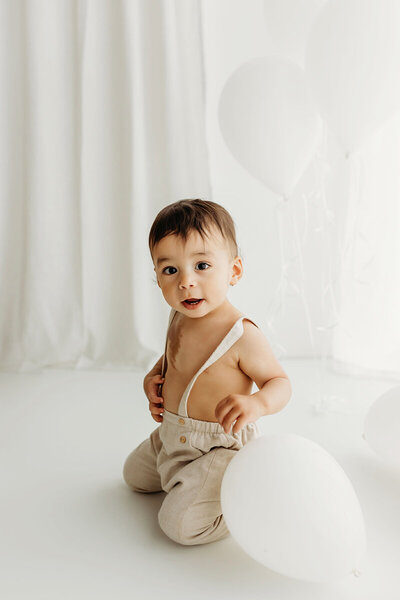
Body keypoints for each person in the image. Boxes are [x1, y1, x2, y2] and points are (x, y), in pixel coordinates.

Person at [122, 198, 292, 545]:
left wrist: (257, 404)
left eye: (201, 265)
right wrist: (152, 380)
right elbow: (172, 356)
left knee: (179, 527)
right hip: (172, 434)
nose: (186, 282)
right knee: (134, 478)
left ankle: (240, 500)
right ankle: (183, 476)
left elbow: (280, 382)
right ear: (156, 277)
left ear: (234, 271)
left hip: (217, 447)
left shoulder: (242, 334)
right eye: (171, 270)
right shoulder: (180, 316)